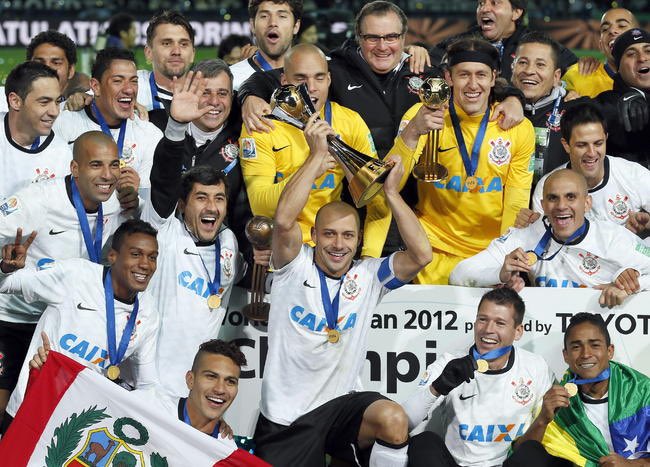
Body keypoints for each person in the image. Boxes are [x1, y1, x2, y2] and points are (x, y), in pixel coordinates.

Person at [238, 0, 525, 256]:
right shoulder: (337, 68)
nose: (382, 46)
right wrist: (249, 95)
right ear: (358, 38)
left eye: (391, 37)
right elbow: (283, 76)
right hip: (358, 212)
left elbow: (470, 82)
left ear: (404, 37)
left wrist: (512, 97)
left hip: (410, 214)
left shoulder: (424, 71)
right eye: (372, 37)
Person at [253, 108, 431, 465]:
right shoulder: (293, 265)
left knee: (393, 420)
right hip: (287, 417)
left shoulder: (369, 276)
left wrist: (392, 194)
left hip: (339, 410)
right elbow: (284, 220)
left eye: (348, 236)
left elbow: (422, 255)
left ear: (359, 239)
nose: (338, 244)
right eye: (329, 235)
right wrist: (316, 156)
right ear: (314, 236)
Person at [143, 71, 269, 397]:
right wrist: (175, 127)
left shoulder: (228, 242)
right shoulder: (164, 231)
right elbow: (164, 182)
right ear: (182, 204)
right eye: (201, 198)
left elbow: (246, 271)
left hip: (195, 388)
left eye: (219, 199)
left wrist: (266, 263)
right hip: (151, 384)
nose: (211, 207)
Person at [0, 131, 136, 421]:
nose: (108, 174)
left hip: (61, 328)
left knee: (44, 419)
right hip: (13, 318)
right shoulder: (37, 200)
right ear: (75, 168)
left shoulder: (116, 204)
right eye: (96, 165)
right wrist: (5, 265)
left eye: (114, 164)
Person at [394, 37, 535, 284]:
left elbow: (516, 201)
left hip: (489, 256)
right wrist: (412, 131)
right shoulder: (424, 115)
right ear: (448, 77)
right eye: (463, 75)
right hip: (431, 251)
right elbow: (391, 183)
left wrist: (504, 258)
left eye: (481, 75)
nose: (472, 84)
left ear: (493, 77)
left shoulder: (517, 127)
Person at [0, 219, 160, 430]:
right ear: (113, 256)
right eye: (136, 254)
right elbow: (9, 283)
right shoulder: (76, 275)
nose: (146, 264)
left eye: (152, 257)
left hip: (75, 426)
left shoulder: (149, 313)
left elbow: (148, 385)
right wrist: (5, 269)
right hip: (29, 408)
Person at [239, 43, 388, 256]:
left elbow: (378, 201)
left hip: (333, 251)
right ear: (284, 81)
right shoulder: (262, 126)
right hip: (284, 253)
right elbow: (261, 207)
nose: (311, 87)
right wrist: (312, 167)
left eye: (319, 78)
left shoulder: (350, 122)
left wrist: (368, 257)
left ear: (329, 80)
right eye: (301, 78)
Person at [450, 169, 650, 308]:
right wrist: (500, 274)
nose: (561, 206)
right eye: (553, 198)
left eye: (571, 197)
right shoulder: (525, 236)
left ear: (587, 203)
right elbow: (458, 275)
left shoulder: (613, 237)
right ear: (543, 205)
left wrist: (630, 287)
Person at [403, 288, 554, 467]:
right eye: (483, 319)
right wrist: (438, 387)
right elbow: (404, 424)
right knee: (423, 442)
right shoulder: (449, 363)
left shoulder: (536, 366)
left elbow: (549, 433)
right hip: (457, 465)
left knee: (533, 452)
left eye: (500, 323)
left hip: (508, 464)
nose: (488, 330)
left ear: (518, 331)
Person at [505, 313, 650, 466]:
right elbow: (519, 459)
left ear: (609, 351)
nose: (586, 354)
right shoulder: (558, 401)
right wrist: (542, 419)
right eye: (576, 347)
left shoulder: (642, 392)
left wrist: (632, 465)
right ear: (566, 355)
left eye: (595, 345)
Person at [152, 60, 251, 248]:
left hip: (223, 252)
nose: (214, 101)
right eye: (205, 92)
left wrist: (252, 97)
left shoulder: (245, 132)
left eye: (222, 93)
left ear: (232, 97)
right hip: (165, 248)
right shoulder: (157, 125)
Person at [520, 102, 650, 235]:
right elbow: (544, 241)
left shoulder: (634, 174)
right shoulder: (547, 186)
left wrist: (644, 230)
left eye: (598, 143)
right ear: (566, 145)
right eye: (582, 145)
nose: (592, 153)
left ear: (606, 139)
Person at [53, 47, 163, 201]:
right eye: (118, 81)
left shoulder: (150, 135)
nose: (129, 89)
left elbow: (152, 206)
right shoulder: (63, 125)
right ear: (95, 86)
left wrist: (137, 198)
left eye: (134, 81)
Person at [434, 0, 577, 82]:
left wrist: (571, 89)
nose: (484, 9)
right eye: (481, 3)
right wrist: (420, 50)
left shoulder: (537, 44)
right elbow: (430, 63)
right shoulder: (461, 42)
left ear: (516, 12)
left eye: (495, 3)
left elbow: (575, 68)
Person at [511, 32, 578, 186]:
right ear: (512, 67)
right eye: (522, 62)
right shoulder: (495, 106)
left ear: (556, 76)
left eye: (540, 65)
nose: (529, 70)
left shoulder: (575, 109)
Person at [1, 61, 71, 200]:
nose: (54, 112)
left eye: (57, 102)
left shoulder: (61, 153)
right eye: (44, 102)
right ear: (15, 101)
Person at [595, 28, 650, 167]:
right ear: (618, 68)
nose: (642, 58)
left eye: (648, 51)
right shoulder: (607, 102)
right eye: (631, 54)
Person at [563, 8, 639, 99]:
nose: (612, 30)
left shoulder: (646, 79)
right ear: (601, 45)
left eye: (622, 26)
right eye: (605, 29)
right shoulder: (577, 75)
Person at [230, 0, 303, 91]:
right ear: (252, 25)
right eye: (264, 16)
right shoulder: (232, 79)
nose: (273, 23)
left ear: (296, 26)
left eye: (282, 16)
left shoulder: (316, 75)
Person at [137, 10, 196, 112]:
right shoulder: (131, 89)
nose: (176, 51)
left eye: (183, 44)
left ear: (192, 54)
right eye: (166, 44)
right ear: (149, 52)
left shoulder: (209, 94)